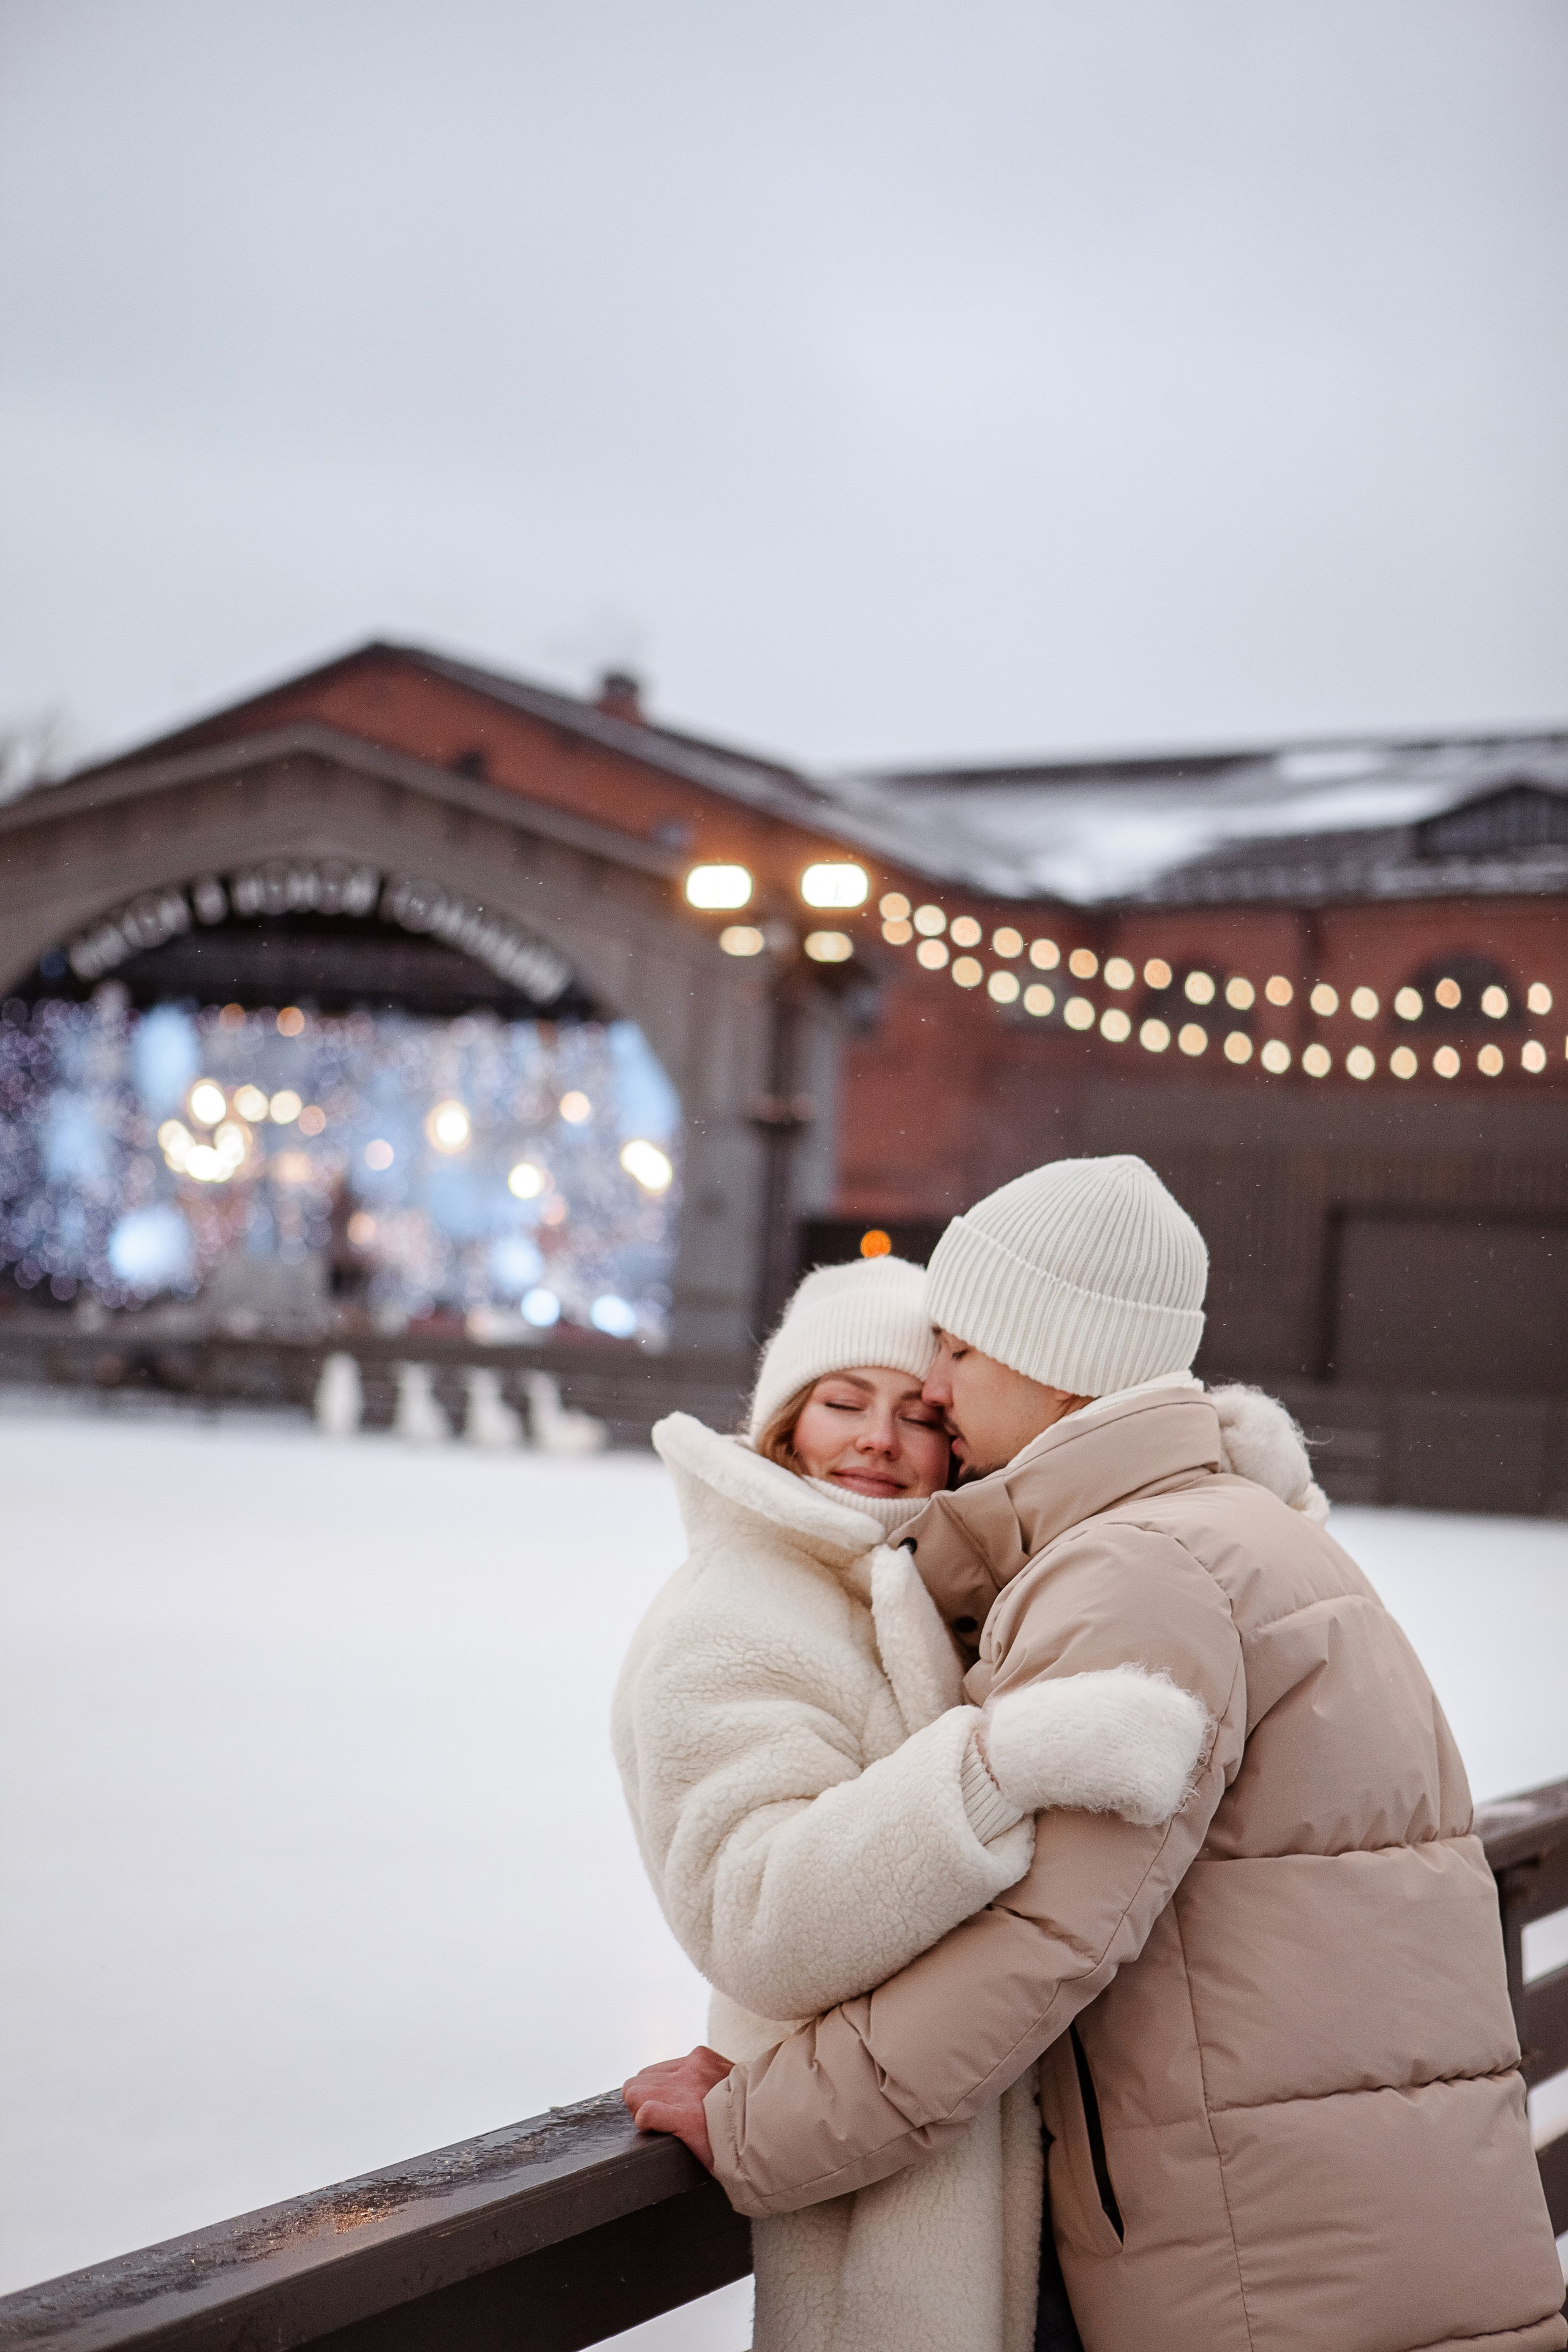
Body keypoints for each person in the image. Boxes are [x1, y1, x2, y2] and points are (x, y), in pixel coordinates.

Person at [625, 1156, 1567, 2352]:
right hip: (1348, 2213)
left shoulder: (1136, 1572)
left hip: (1264, 2254)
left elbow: (1041, 1943)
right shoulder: (1234, 1530)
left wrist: (762, 2127)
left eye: (954, 1354)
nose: (933, 1392)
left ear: (1047, 1355)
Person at [613, 1253, 1210, 2352]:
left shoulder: (938, 1587)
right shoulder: (732, 1612)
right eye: (843, 1404)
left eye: (918, 1415)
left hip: (1036, 2183)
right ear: (785, 1425)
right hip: (879, 2196)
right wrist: (996, 1767)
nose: (879, 1441)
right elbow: (757, 1916)